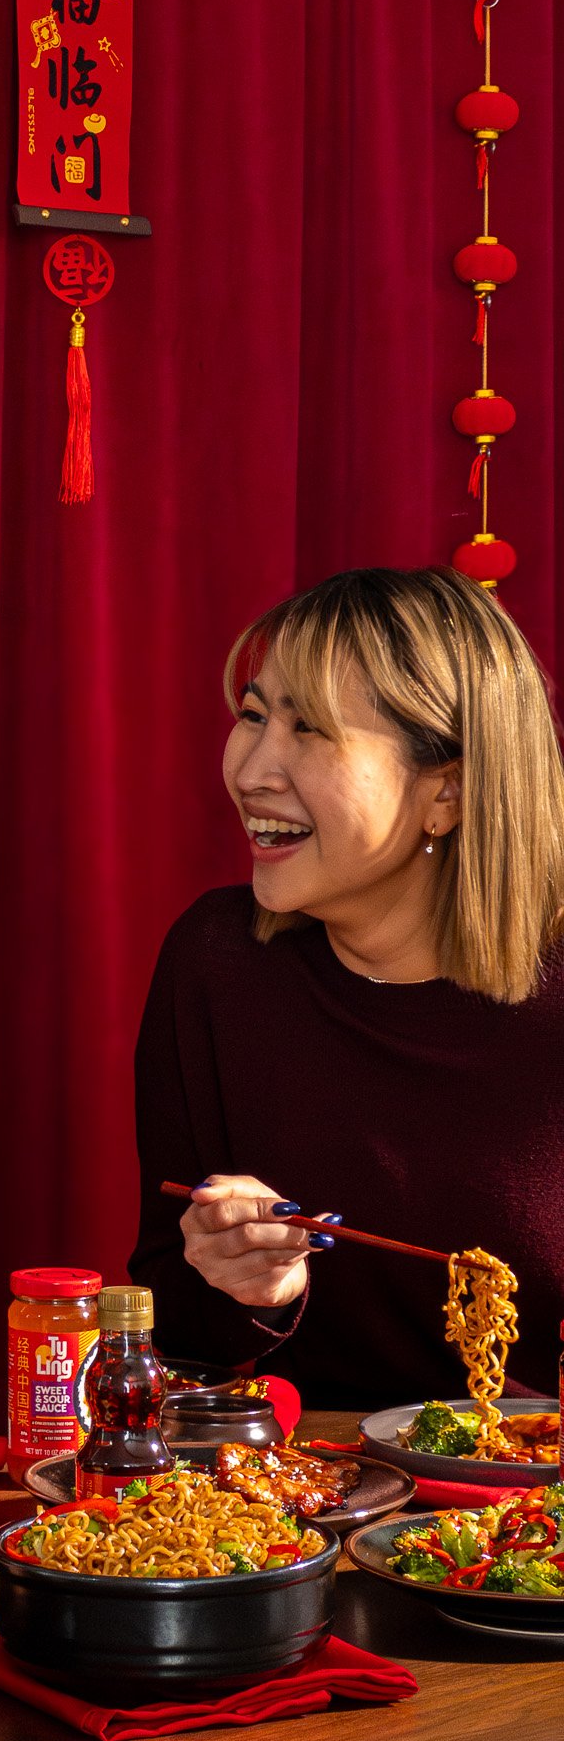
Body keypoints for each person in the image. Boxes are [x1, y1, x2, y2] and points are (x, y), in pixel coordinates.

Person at [130, 566, 564, 1409]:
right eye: (253, 717)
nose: (252, 770)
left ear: (449, 790)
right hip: (299, 1505)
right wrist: (247, 1289)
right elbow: (174, 1337)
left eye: (312, 731)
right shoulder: (215, 964)